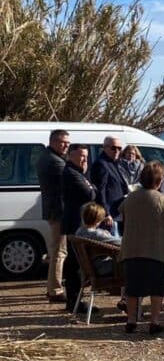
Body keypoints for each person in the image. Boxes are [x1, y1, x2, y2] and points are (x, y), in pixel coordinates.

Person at [118, 161, 164, 335]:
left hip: (132, 248)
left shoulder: (130, 198)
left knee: (132, 286)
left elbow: (122, 219)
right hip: (156, 249)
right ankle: (154, 320)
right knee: (157, 287)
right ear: (159, 181)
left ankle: (131, 320)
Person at [60, 144, 100, 313]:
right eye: (81, 156)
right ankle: (73, 300)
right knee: (74, 263)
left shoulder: (79, 173)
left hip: (78, 221)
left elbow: (93, 189)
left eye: (86, 156)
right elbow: (89, 194)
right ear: (71, 156)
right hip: (75, 222)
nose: (85, 159)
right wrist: (90, 187)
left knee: (77, 262)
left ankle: (75, 299)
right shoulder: (70, 173)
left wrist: (90, 186)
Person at [36, 129, 70, 303]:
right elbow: (70, 180)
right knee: (59, 251)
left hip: (52, 209)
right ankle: (55, 290)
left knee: (56, 250)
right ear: (53, 141)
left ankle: (52, 287)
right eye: (63, 142)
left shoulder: (46, 157)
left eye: (68, 143)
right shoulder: (56, 162)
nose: (66, 145)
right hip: (58, 211)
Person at [90, 136, 129, 236]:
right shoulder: (101, 164)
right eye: (113, 148)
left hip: (118, 212)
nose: (116, 151)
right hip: (109, 216)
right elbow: (100, 191)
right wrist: (106, 214)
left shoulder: (113, 163)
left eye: (119, 148)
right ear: (104, 147)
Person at [75, 202, 121, 278]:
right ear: (98, 219)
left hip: (88, 267)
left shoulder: (79, 231)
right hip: (102, 267)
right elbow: (120, 243)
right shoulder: (97, 234)